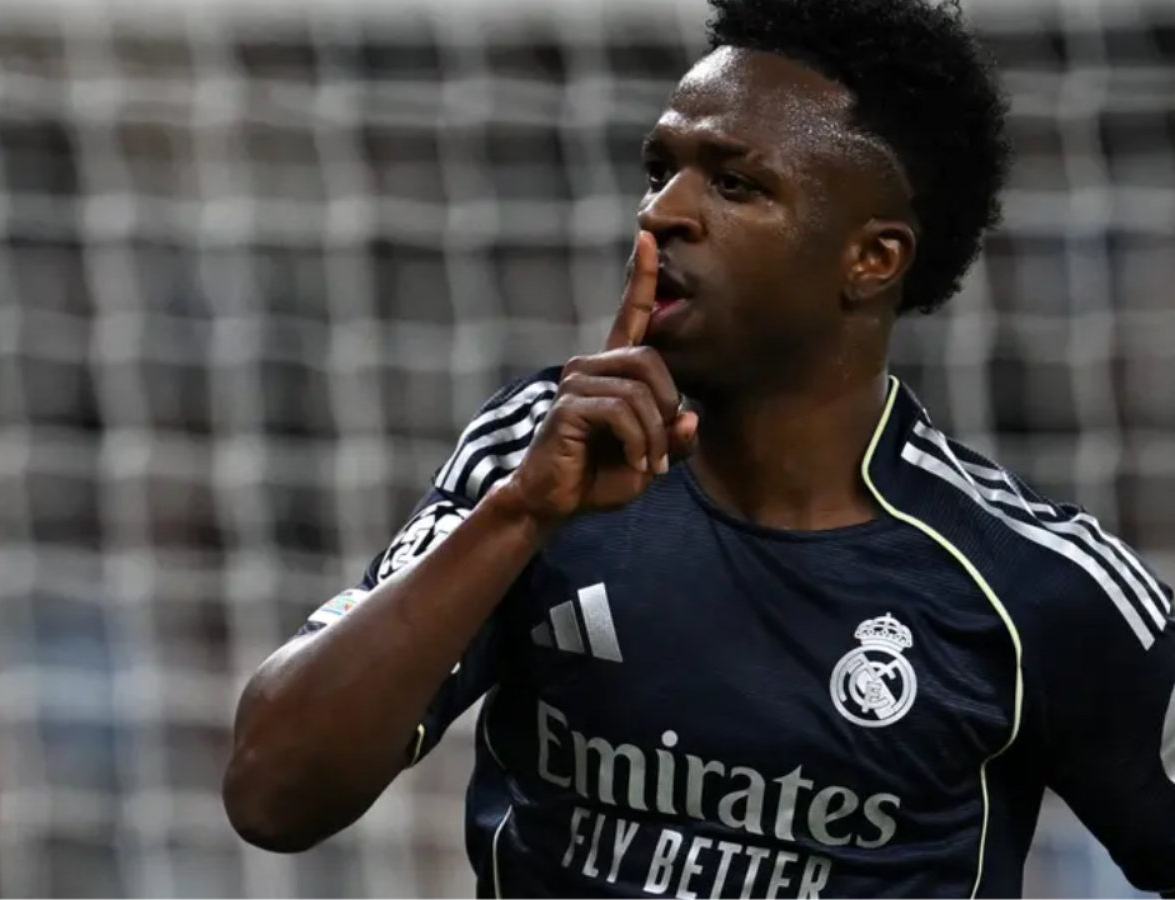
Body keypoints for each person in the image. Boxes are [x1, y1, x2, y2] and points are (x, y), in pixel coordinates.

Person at [222, 0, 1175, 896]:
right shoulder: (535, 457)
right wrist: (520, 516)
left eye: (732, 182)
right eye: (658, 169)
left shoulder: (1034, 580)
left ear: (871, 259)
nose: (661, 212)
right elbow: (271, 793)